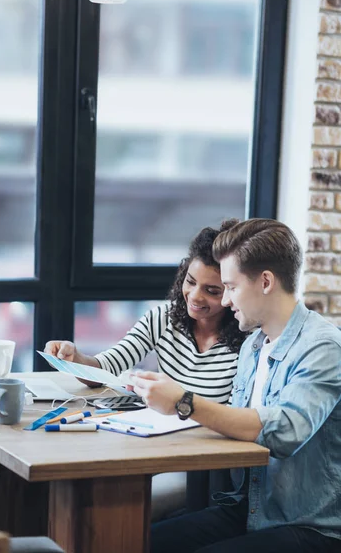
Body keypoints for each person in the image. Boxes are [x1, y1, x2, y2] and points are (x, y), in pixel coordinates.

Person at [131, 218, 341, 553]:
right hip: (250, 511)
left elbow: (286, 432)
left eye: (230, 286)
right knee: (140, 542)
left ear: (266, 282)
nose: (226, 301)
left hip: (310, 526)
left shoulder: (323, 347)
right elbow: (237, 425)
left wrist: (185, 402)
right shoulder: (252, 347)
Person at [45, 220, 246, 402]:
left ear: (232, 290)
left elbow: (238, 417)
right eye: (190, 282)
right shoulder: (164, 317)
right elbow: (106, 368)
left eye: (212, 291)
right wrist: (75, 359)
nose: (194, 296)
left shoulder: (248, 339)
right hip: (164, 435)